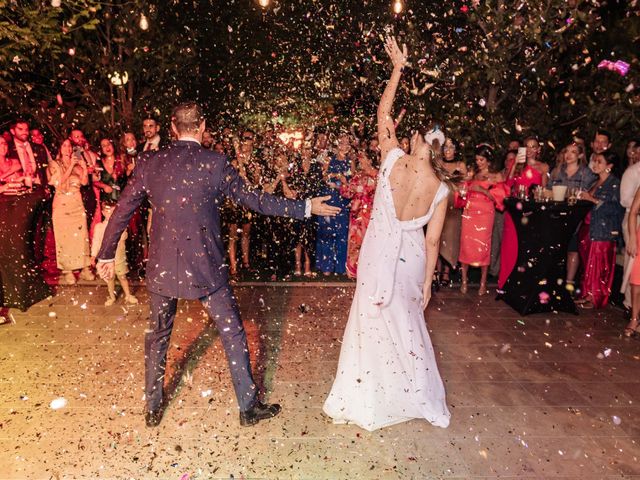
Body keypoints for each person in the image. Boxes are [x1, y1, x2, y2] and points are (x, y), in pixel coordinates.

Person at [96, 102, 340, 428]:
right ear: (201, 126)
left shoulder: (150, 162)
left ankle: (153, 409)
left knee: (157, 336)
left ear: (171, 127)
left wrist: (106, 254)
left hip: (163, 266)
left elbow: (123, 209)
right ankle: (248, 407)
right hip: (206, 266)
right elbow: (255, 200)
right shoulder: (214, 162)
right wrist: (305, 207)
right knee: (233, 333)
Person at [323, 37, 451, 431]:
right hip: (410, 260)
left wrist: (397, 69)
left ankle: (370, 392)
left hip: (378, 256)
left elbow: (382, 110)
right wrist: (428, 282)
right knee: (408, 323)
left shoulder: (392, 158)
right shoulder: (442, 188)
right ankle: (414, 391)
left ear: (414, 139)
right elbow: (432, 241)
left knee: (370, 322)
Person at [575, 151, 623, 309]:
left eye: (599, 162)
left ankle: (596, 297)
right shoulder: (595, 182)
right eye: (594, 161)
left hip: (603, 230)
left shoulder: (614, 183)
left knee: (599, 265)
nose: (595, 165)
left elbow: (616, 208)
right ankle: (586, 293)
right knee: (588, 263)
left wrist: (592, 199)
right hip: (589, 228)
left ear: (609, 166)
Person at [458, 144, 508, 295]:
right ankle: (464, 281)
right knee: (466, 245)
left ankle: (482, 283)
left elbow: (499, 198)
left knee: (483, 247)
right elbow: (462, 193)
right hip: (469, 212)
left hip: (486, 213)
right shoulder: (472, 174)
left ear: (488, 160)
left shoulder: (496, 176)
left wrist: (483, 190)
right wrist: (463, 190)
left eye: (481, 159)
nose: (478, 162)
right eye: (477, 159)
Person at [47, 139, 94, 285]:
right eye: (65, 146)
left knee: (81, 237)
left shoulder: (77, 163)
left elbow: (85, 182)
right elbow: (59, 183)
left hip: (77, 204)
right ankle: (67, 270)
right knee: (64, 238)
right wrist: (71, 165)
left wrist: (84, 167)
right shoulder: (54, 164)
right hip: (62, 205)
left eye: (70, 146)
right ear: (60, 148)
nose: (68, 149)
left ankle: (85, 268)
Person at [316, 133, 352, 275]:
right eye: (342, 142)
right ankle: (326, 266)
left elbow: (350, 182)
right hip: (329, 197)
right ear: (337, 145)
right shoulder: (329, 159)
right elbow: (324, 177)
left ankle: (340, 267)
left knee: (342, 232)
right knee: (327, 230)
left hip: (343, 198)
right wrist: (336, 177)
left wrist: (342, 183)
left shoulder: (351, 162)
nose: (344, 145)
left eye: (347, 143)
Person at [340, 149, 378, 278]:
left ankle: (370, 272)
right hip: (356, 216)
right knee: (354, 243)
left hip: (371, 216)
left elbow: (380, 194)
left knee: (370, 243)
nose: (360, 160)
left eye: (363, 158)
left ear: (370, 160)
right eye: (359, 158)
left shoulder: (377, 175)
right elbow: (347, 193)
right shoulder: (357, 176)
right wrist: (345, 183)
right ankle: (354, 271)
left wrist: (365, 190)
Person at [91, 202, 138, 306]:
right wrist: (93, 255)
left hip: (119, 256)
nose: (110, 214)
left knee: (122, 277)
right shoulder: (99, 227)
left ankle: (128, 295)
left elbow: (124, 237)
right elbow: (96, 241)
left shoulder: (120, 225)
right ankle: (111, 296)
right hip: (106, 258)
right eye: (108, 212)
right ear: (103, 213)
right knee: (110, 279)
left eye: (113, 212)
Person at [437, 137, 467, 286]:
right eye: (445, 147)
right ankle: (436, 271)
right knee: (437, 237)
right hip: (439, 205)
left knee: (451, 239)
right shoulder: (438, 164)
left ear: (456, 150)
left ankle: (447, 273)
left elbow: (465, 185)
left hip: (453, 207)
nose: (448, 150)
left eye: (451, 147)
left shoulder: (460, 165)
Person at [290, 143, 324, 276]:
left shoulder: (316, 167)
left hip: (312, 205)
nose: (307, 151)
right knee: (298, 236)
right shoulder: (295, 167)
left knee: (309, 236)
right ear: (301, 150)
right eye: (305, 149)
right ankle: (298, 264)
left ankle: (308, 265)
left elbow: (319, 185)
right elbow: (292, 184)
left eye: (309, 149)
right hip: (298, 205)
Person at [620, 139, 640, 313]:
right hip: (632, 219)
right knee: (632, 263)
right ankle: (629, 304)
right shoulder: (632, 172)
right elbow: (624, 200)